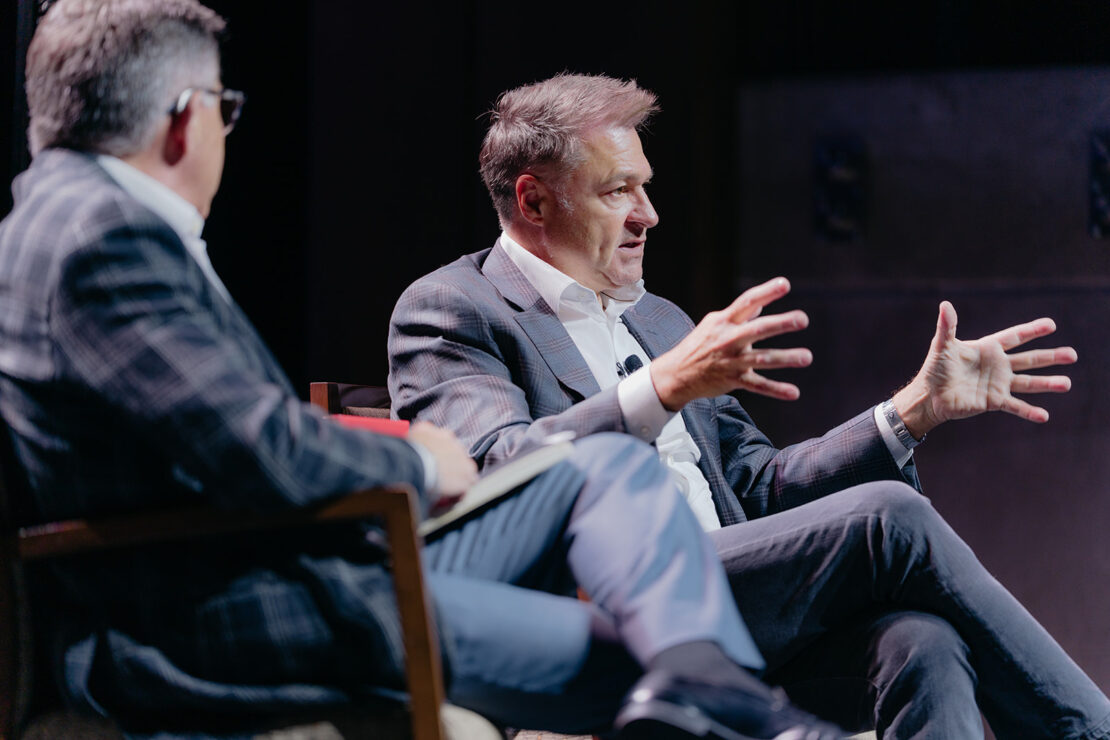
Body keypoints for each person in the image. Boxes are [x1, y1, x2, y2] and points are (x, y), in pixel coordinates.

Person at [0, 4, 847, 739]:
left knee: (606, 465)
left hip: (293, 571)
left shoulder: (73, 218)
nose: (226, 132)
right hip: (228, 615)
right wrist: (415, 458)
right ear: (187, 120)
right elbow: (256, 448)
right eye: (226, 108)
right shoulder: (102, 237)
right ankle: (723, 695)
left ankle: (707, 683)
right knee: (638, 661)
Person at [387, 72, 1110, 739]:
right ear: (534, 201)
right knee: (888, 518)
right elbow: (495, 475)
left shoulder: (659, 320)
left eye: (646, 187)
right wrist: (661, 387)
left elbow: (761, 487)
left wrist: (911, 411)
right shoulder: (456, 307)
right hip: (605, 608)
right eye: (617, 191)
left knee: (922, 641)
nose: (648, 215)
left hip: (737, 600)